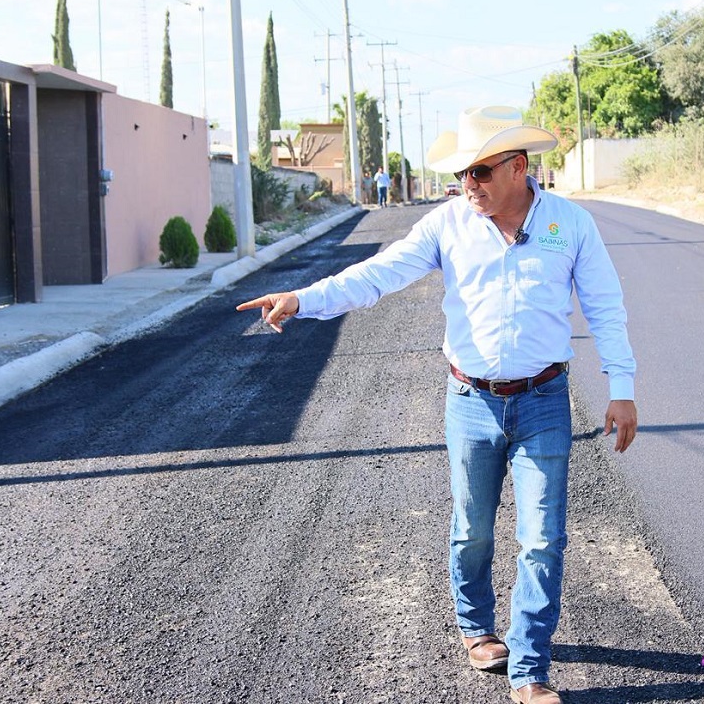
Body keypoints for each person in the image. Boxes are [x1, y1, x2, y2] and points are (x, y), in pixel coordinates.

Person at [237, 105, 637, 704]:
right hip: (471, 401)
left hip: (545, 400)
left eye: (479, 172)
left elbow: (605, 306)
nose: (467, 184)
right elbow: (376, 275)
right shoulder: (447, 224)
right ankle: (477, 628)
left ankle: (530, 669)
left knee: (543, 537)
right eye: (461, 174)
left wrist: (621, 387)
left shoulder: (570, 224)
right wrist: (303, 298)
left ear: (518, 167)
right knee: (473, 529)